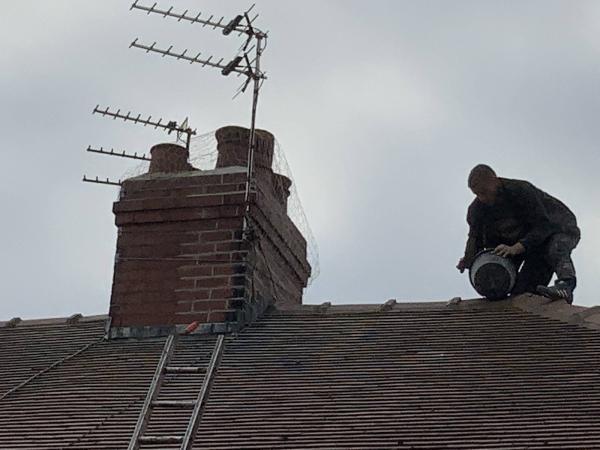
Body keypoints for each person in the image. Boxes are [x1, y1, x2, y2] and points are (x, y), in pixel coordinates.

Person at [457, 164, 580, 304]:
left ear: (495, 181)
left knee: (554, 249)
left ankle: (565, 285)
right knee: (522, 295)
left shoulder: (520, 190)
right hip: (527, 243)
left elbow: (543, 226)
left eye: (484, 192)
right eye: (477, 194)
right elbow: (475, 239)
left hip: (557, 227)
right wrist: (469, 258)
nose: (482, 198)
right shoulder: (477, 211)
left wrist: (517, 247)